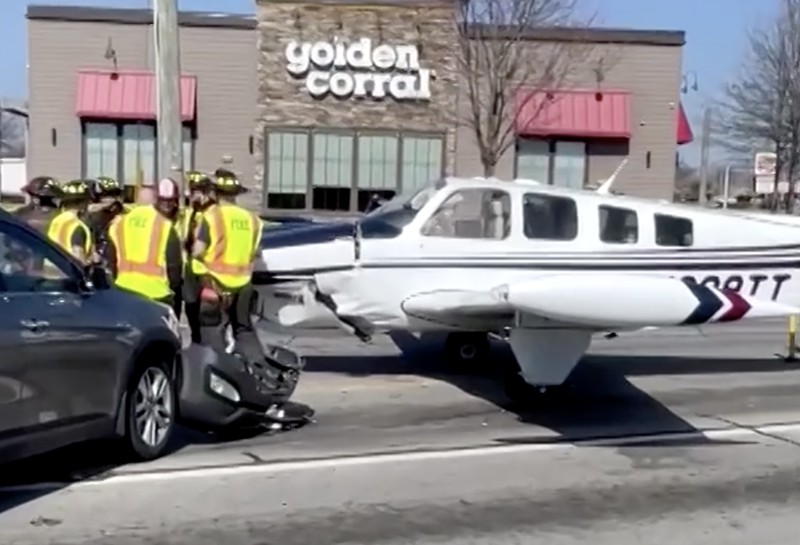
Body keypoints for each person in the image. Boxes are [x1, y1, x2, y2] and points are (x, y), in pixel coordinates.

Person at [191, 168, 263, 364]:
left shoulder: (212, 217)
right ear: (236, 194)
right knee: (244, 330)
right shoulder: (253, 220)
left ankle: (217, 373)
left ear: (215, 193)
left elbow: (198, 251)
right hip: (244, 284)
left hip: (214, 285)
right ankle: (258, 371)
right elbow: (255, 253)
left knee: (212, 330)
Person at [106, 178, 183, 313]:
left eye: (170, 201)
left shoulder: (120, 223)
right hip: (156, 294)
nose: (168, 205)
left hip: (124, 290)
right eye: (165, 201)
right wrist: (174, 291)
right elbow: (174, 266)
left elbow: (111, 260)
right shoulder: (164, 225)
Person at [180, 171, 215, 344]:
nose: (196, 195)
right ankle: (196, 337)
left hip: (207, 268)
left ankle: (207, 339)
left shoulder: (213, 212)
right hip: (190, 265)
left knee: (208, 309)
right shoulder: (188, 212)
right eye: (194, 190)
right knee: (190, 305)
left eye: (200, 191)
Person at [47, 179, 95, 265]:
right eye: (88, 201)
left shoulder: (55, 221)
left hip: (51, 271)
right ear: (82, 203)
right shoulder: (77, 226)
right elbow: (78, 256)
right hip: (69, 273)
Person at [86, 176, 126, 264]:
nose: (112, 199)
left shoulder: (123, 212)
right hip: (99, 258)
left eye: (115, 194)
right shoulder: (90, 216)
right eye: (106, 195)